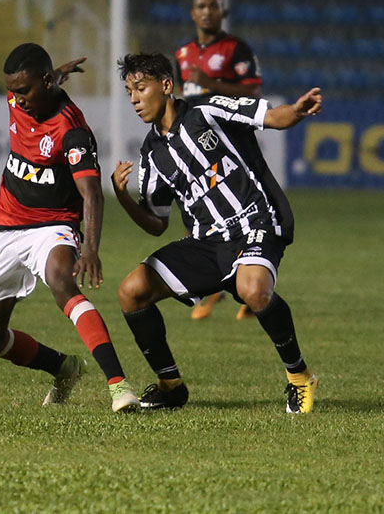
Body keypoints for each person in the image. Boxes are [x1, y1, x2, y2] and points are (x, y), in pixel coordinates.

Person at [112, 53, 321, 413]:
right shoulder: (151, 155)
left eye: (140, 88)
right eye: (129, 91)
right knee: (132, 292)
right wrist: (121, 197)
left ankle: (300, 377)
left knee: (253, 290)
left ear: (165, 86)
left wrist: (298, 112)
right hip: (206, 243)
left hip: (256, 221)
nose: (133, 98)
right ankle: (171, 386)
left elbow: (270, 116)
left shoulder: (207, 110)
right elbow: (156, 222)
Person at [0, 43, 139, 413]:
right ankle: (63, 367)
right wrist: (57, 73)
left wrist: (90, 248)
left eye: (24, 91)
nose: (17, 100)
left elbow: (92, 194)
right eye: (13, 91)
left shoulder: (72, 131)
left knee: (63, 281)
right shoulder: (24, 97)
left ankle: (119, 385)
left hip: (53, 224)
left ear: (44, 82)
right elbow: (43, 84)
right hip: (5, 225)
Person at [175, 0, 263, 319]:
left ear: (222, 11)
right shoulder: (183, 53)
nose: (207, 11)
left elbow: (252, 91)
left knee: (242, 214)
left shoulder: (236, 48)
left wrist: (211, 84)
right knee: (194, 211)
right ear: (193, 13)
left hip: (230, 144)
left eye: (214, 6)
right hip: (194, 144)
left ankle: (250, 286)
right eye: (201, 6)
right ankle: (222, 286)